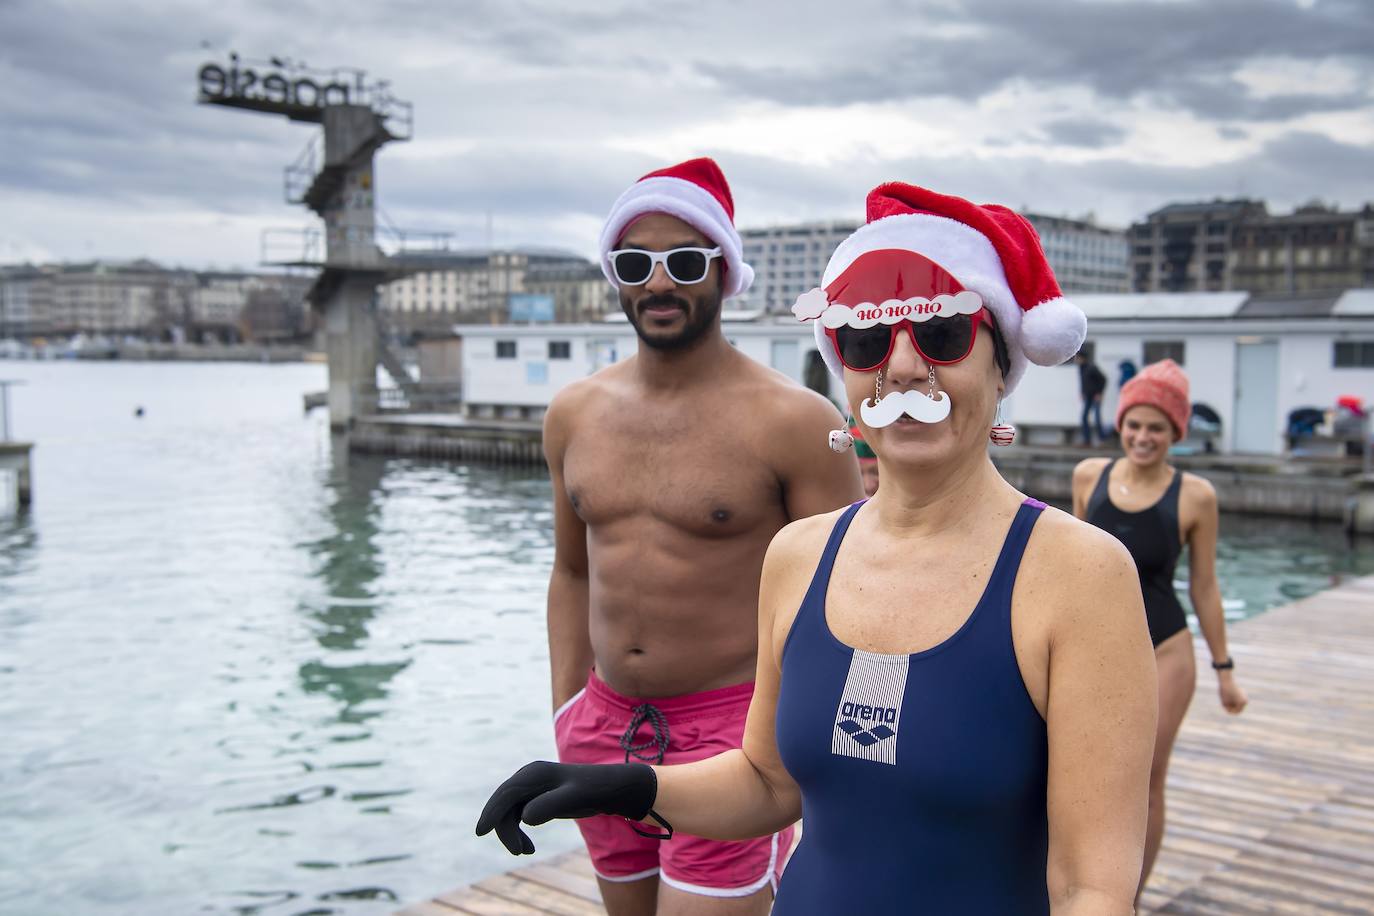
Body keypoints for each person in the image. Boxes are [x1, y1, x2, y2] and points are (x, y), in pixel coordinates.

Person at [481, 183, 1158, 914]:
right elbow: (770, 785)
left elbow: (1093, 887)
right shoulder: (802, 555)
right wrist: (628, 786)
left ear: (1001, 366)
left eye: (940, 335)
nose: (902, 368)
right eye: (868, 340)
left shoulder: (1076, 575)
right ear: (848, 370)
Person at [538, 157, 863, 915]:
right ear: (614, 276)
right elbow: (571, 572)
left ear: (725, 271)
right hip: (601, 722)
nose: (658, 284)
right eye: (634, 263)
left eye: (684, 262)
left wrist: (809, 751)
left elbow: (843, 604)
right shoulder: (573, 414)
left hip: (733, 734)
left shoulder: (794, 422)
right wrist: (565, 712)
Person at [1072, 358, 1248, 901]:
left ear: (1175, 432)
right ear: (1119, 424)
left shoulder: (1196, 496)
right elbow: (1072, 567)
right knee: (1076, 773)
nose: (1142, 437)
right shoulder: (1088, 477)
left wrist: (1225, 671)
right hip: (1095, 650)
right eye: (1134, 424)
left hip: (1164, 652)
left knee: (1145, 778)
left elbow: (1205, 587)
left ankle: (1129, 898)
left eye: (1156, 427)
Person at [1075, 350, 1107, 445]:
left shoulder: (1091, 368)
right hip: (1087, 396)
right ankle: (1087, 440)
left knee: (1097, 418)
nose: (1076, 360)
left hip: (1095, 396)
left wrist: (1099, 393)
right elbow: (1083, 382)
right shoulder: (1081, 368)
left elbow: (1103, 379)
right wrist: (1082, 392)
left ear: (1082, 358)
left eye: (1077, 357)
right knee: (1084, 417)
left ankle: (1102, 439)